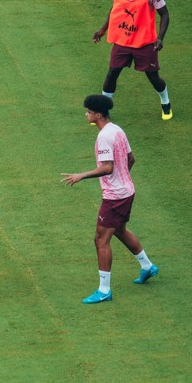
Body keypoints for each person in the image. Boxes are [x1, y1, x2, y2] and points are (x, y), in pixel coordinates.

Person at [62, 95, 158, 304]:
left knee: (100, 239)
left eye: (88, 111)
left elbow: (107, 167)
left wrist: (82, 175)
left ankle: (104, 290)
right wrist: (122, 179)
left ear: (97, 115)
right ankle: (147, 266)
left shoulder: (104, 136)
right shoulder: (118, 130)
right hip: (126, 191)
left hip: (115, 197)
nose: (86, 114)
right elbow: (130, 158)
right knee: (120, 231)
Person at [92, 0, 172, 120]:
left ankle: (165, 101)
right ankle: (103, 111)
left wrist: (160, 38)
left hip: (144, 42)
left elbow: (164, 14)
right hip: (123, 40)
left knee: (153, 76)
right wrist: (103, 29)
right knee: (112, 72)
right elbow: (115, 8)